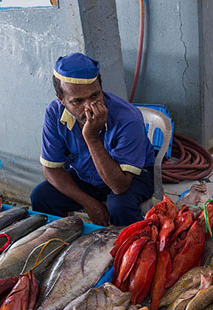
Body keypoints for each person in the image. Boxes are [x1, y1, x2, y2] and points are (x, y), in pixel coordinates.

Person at [31, 53, 155, 226]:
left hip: (131, 177)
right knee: (41, 196)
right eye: (78, 101)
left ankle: (132, 247)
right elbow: (51, 170)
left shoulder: (128, 118)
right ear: (61, 100)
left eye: (95, 96)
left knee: (119, 207)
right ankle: (60, 243)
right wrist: (88, 203)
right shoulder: (54, 113)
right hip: (87, 175)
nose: (89, 107)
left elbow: (120, 186)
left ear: (101, 89)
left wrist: (91, 138)